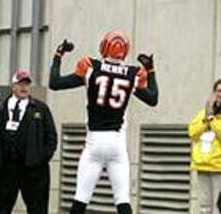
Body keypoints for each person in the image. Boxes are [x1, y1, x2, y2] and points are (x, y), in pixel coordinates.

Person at [49, 32, 158, 214]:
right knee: (122, 200)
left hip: (94, 144)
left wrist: (58, 56)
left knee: (81, 198)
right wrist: (151, 71)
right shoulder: (132, 74)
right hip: (117, 145)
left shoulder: (92, 68)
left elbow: (55, 83)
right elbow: (153, 99)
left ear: (104, 46)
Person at [0, 69, 57, 214]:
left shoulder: (41, 109)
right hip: (4, 169)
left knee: (37, 208)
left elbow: (51, 138)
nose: (24, 87)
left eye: (27, 84)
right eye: (20, 83)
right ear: (13, 86)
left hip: (33, 170)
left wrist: (40, 159)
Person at [187, 79, 221, 214]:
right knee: (204, 205)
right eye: (218, 91)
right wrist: (206, 119)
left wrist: (212, 119)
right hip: (203, 164)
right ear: (214, 93)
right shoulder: (203, 112)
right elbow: (192, 132)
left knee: (219, 206)